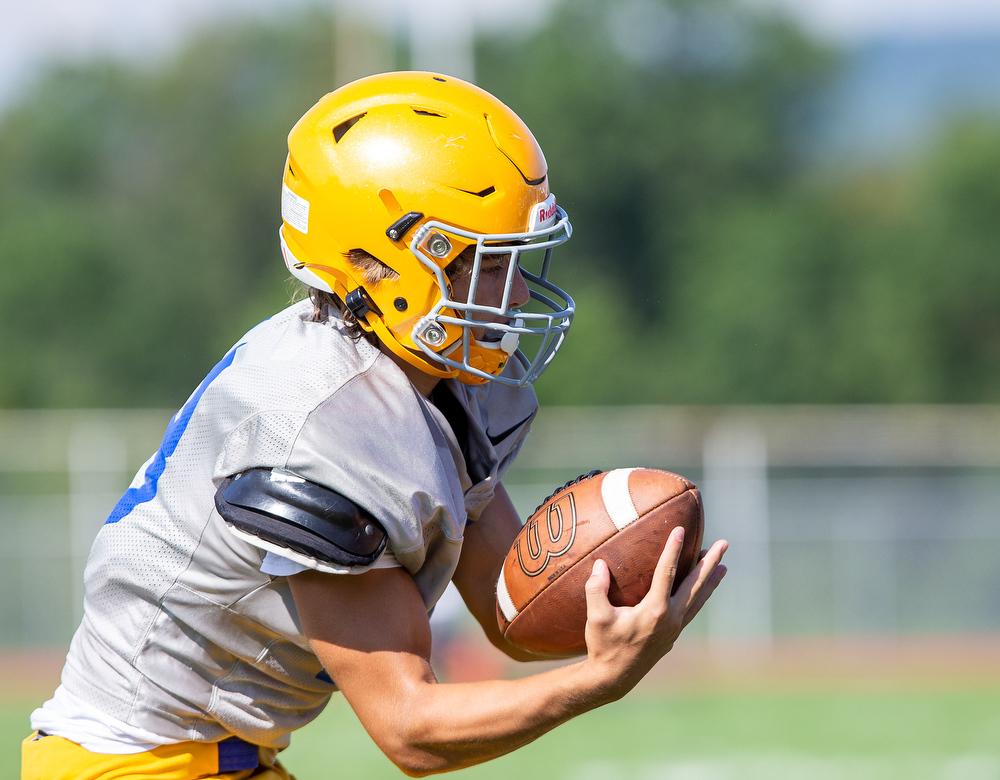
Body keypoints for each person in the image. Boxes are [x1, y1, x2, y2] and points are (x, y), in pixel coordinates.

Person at [21, 71, 728, 779]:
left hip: (216, 761)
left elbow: (513, 610)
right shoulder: (319, 429)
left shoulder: (427, 377)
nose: (513, 294)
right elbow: (410, 731)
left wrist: (623, 596)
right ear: (381, 264)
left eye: (513, 261)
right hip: (132, 767)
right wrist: (598, 680)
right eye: (484, 263)